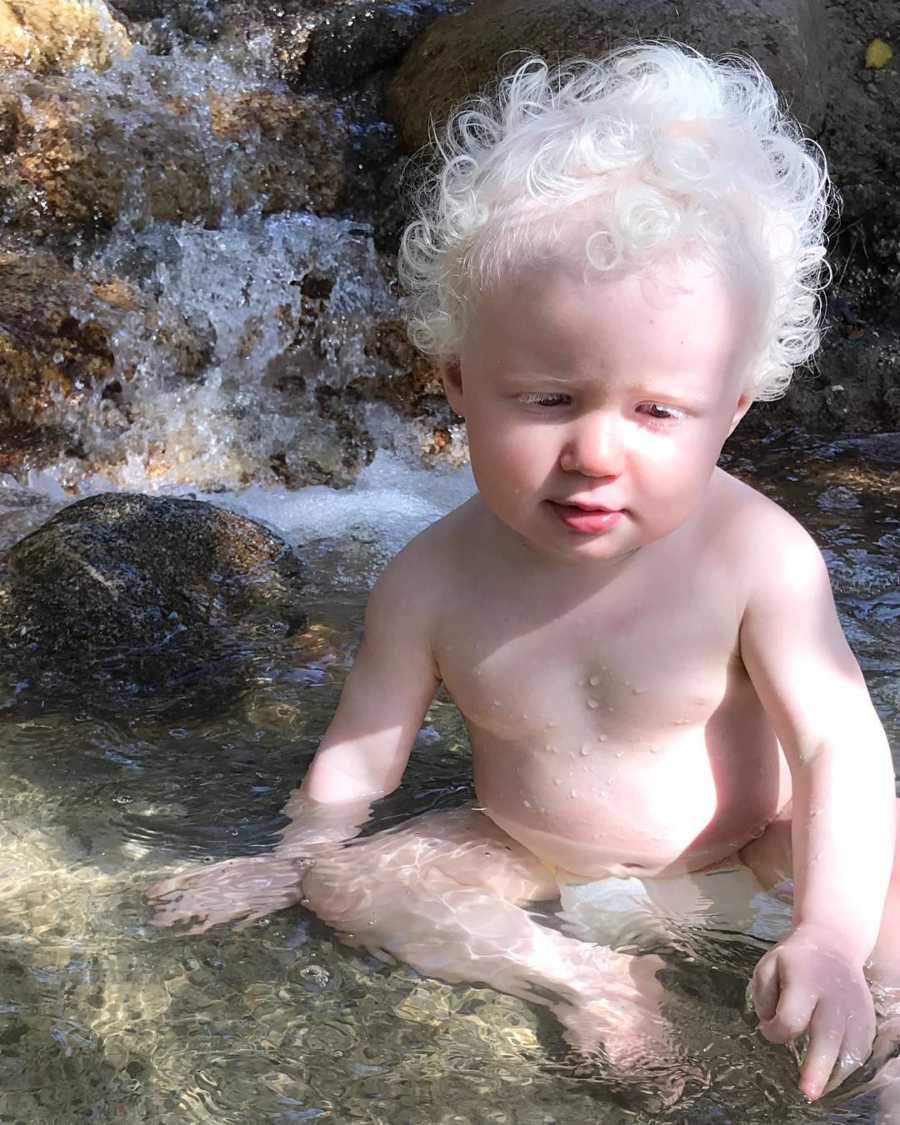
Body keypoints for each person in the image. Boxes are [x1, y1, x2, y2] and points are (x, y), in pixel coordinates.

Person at [148, 44, 900, 1108]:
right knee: (353, 885)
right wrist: (295, 852)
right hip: (531, 845)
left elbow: (837, 745)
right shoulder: (430, 577)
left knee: (884, 859)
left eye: (656, 411)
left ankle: (888, 1027)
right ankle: (588, 984)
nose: (597, 450)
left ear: (733, 409)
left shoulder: (755, 556)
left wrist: (827, 929)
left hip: (758, 834)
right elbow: (361, 756)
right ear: (458, 378)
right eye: (549, 399)